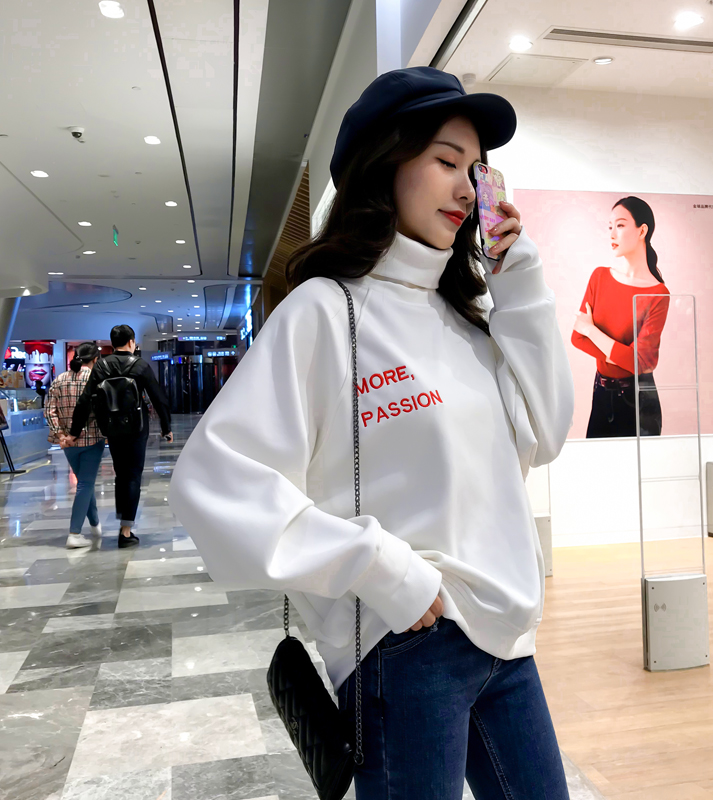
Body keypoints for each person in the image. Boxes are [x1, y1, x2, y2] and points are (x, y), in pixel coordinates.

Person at [169, 67, 574, 798]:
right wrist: (381, 568)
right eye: (446, 161)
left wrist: (518, 278)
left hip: (509, 639)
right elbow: (214, 479)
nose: (466, 188)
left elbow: (545, 433)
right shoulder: (327, 311)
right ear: (385, 164)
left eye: (476, 171)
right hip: (406, 646)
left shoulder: (467, 319)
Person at [571, 196, 670, 438]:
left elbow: (640, 362)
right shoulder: (600, 277)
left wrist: (592, 331)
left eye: (621, 225)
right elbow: (577, 338)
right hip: (601, 393)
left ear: (642, 231)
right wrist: (624, 356)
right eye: (610, 227)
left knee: (638, 462)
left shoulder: (658, 293)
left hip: (638, 399)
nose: (612, 234)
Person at [66, 325, 173, 548]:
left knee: (121, 474)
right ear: (131, 342)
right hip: (137, 428)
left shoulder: (101, 366)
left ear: (113, 343)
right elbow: (158, 398)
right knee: (133, 475)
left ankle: (123, 520)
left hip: (112, 428)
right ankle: (126, 531)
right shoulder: (140, 365)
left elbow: (85, 400)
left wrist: (74, 432)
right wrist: (166, 427)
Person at [44, 342, 105, 549]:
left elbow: (49, 410)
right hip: (92, 439)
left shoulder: (59, 380)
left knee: (84, 483)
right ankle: (74, 533)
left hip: (68, 443)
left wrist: (61, 435)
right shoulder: (96, 379)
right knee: (85, 484)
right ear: (95, 359)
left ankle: (95, 524)